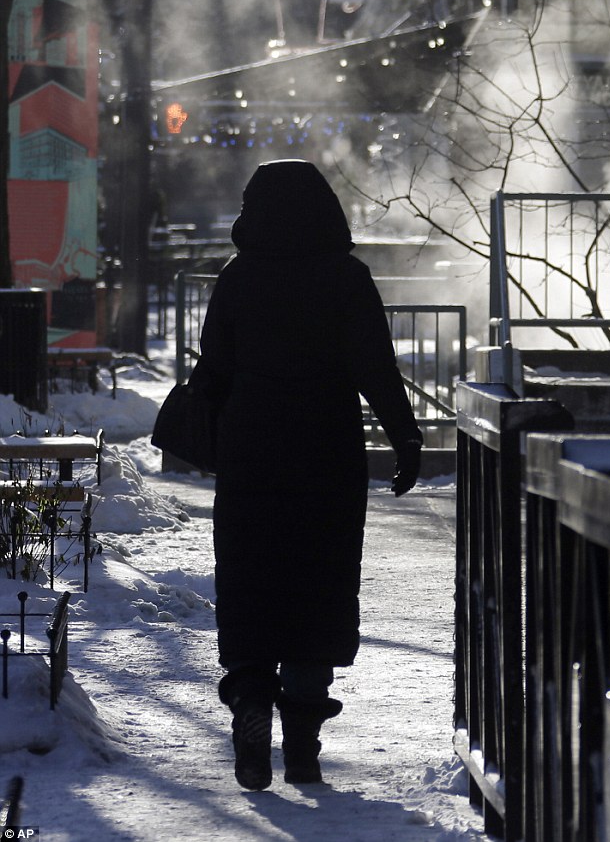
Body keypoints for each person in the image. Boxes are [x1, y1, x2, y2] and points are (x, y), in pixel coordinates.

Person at [189, 159, 423, 791]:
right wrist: (405, 438)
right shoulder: (347, 278)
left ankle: (250, 704)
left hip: (251, 450)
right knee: (319, 582)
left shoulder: (237, 280)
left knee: (250, 577)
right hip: (328, 450)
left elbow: (217, 365)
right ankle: (303, 743)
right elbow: (376, 366)